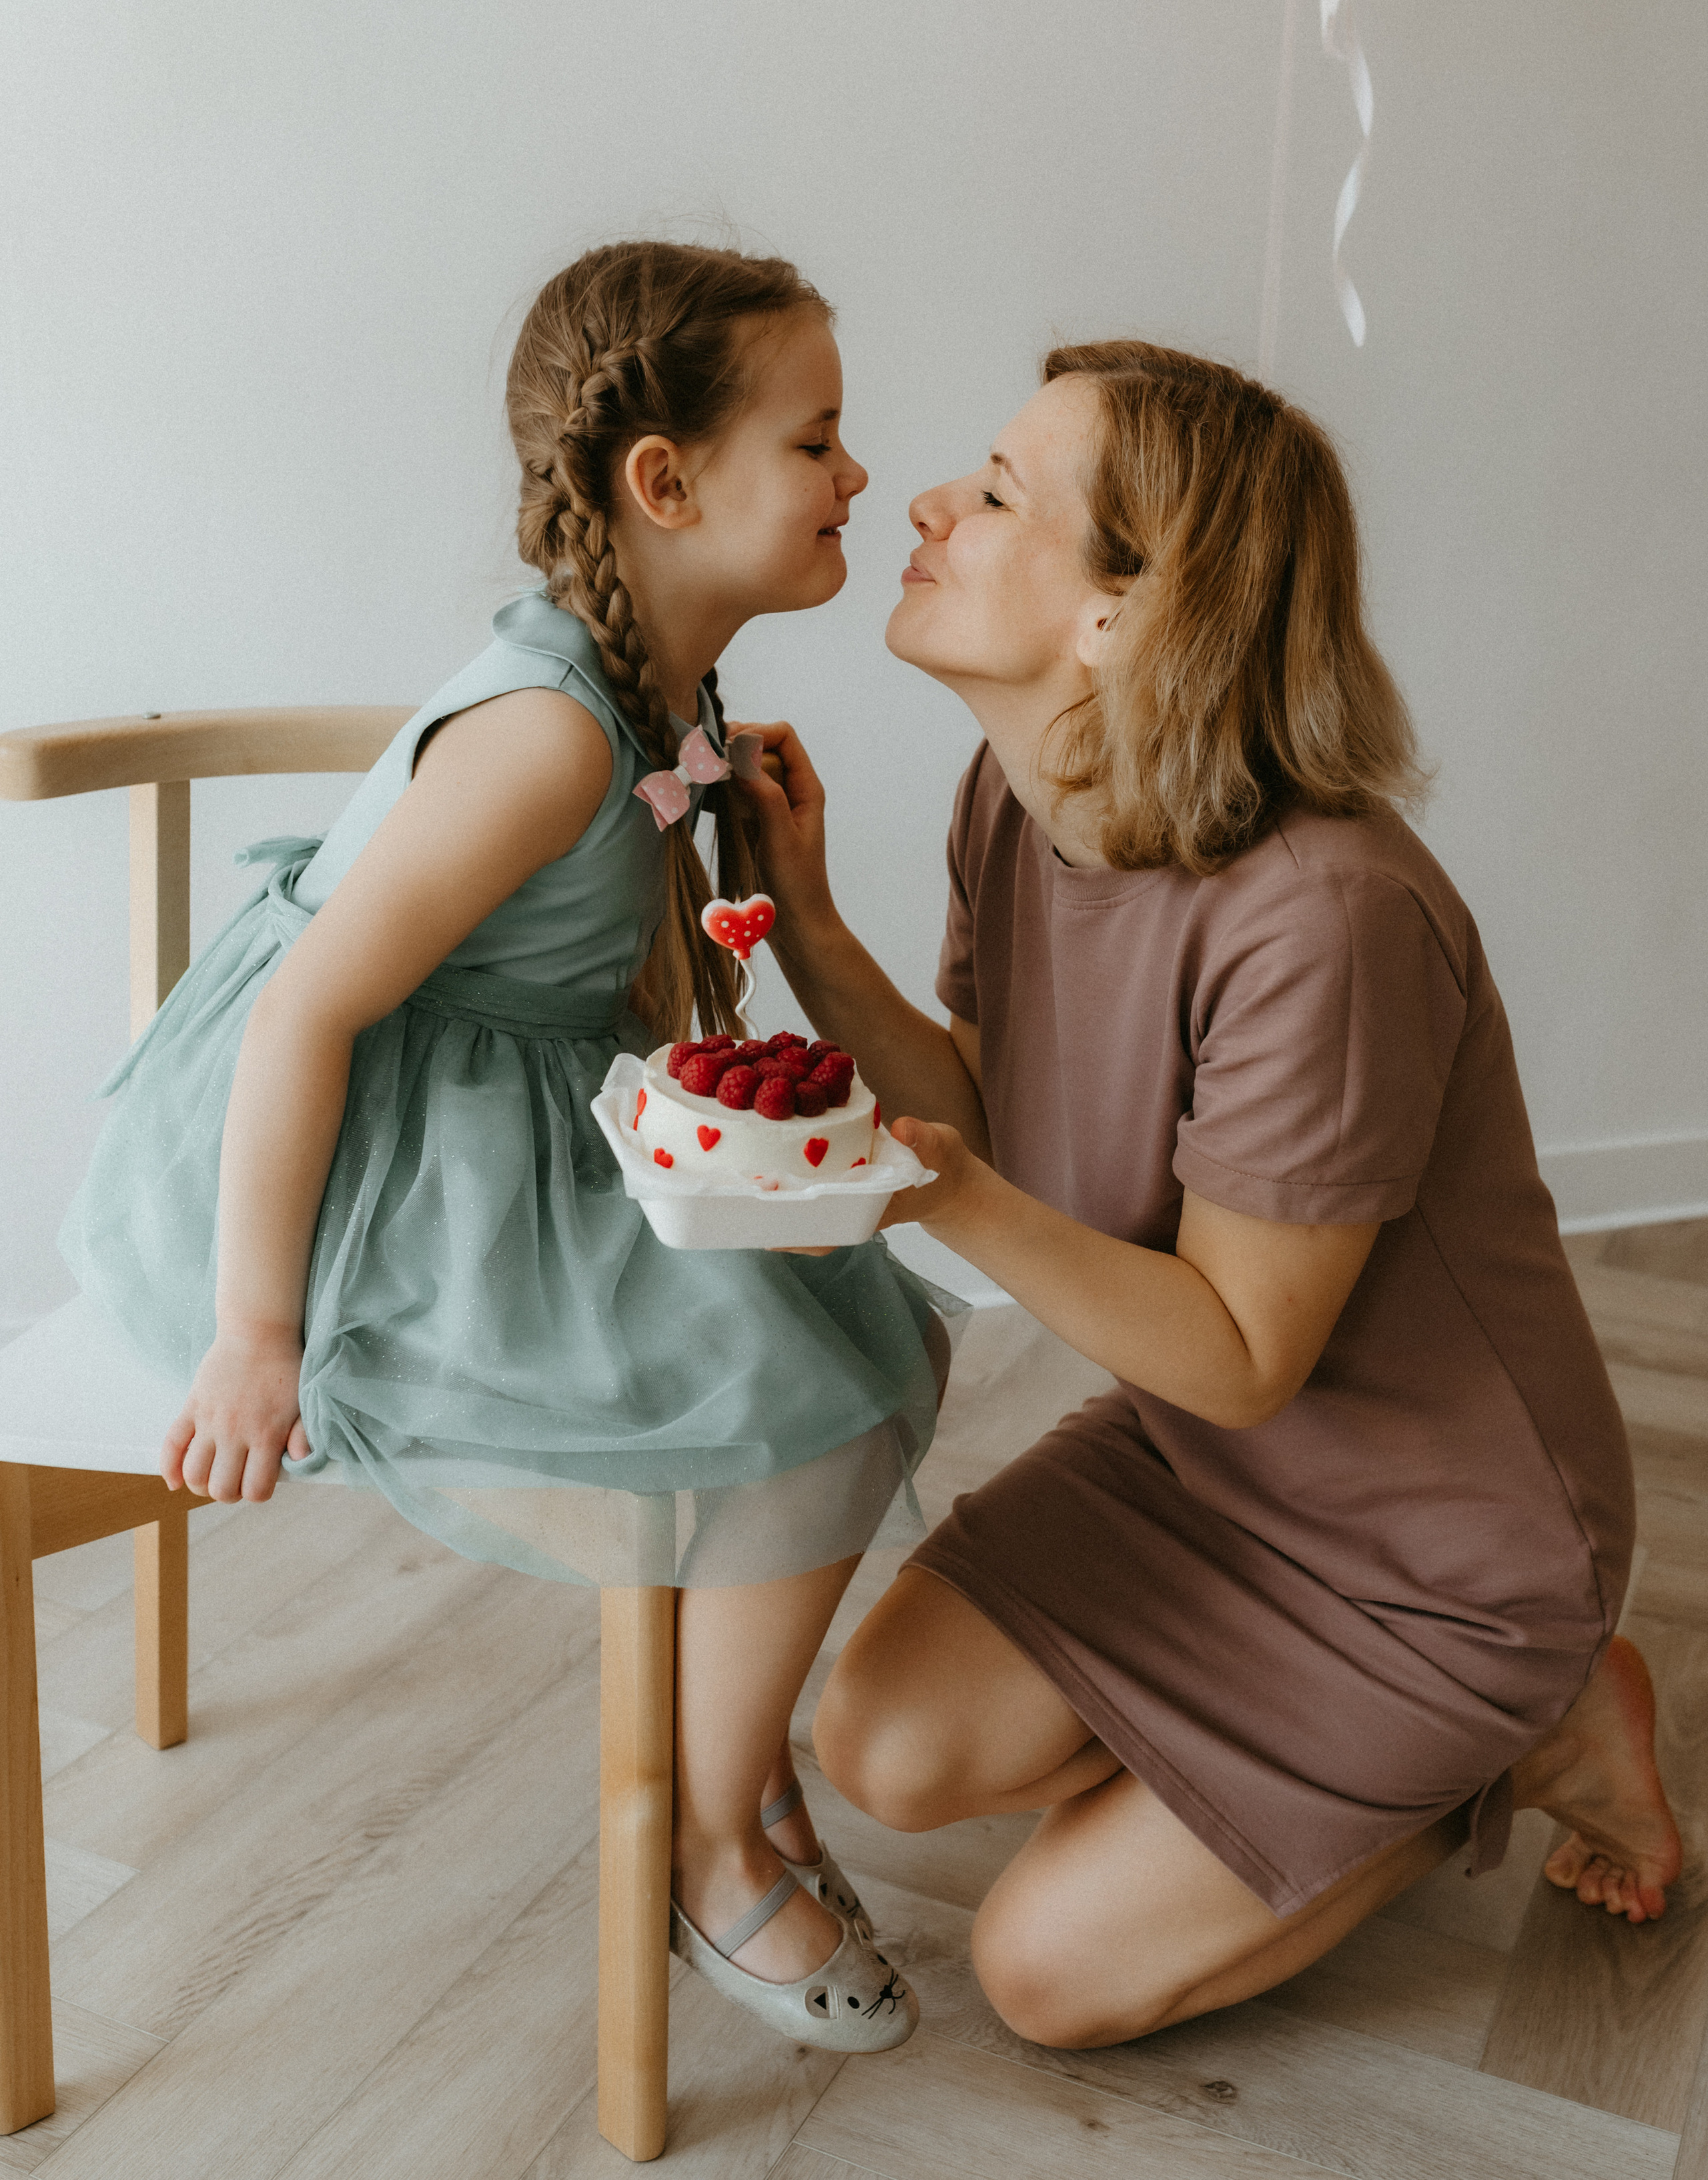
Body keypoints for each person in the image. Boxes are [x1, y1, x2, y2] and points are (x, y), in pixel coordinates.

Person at [738, 340, 1680, 2050]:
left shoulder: (1322, 914)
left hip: (1428, 1560)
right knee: (878, 1740)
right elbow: (997, 1122)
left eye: (1002, 491)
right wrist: (804, 919)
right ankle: (1290, 1764)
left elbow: (1242, 1345)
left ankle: (1522, 1731)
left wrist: (934, 1197)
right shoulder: (1018, 804)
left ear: (1123, 611)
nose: (927, 501)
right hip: (1206, 1469)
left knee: (1040, 1979)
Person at [59, 241, 937, 2051]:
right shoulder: (548, 734)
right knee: (816, 1394)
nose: (862, 478)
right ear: (668, 483)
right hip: (351, 1162)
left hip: (513, 1098)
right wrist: (258, 1334)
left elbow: (639, 960)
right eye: (822, 441)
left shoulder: (661, 699)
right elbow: (311, 1010)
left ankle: (740, 1776)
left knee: (876, 1321)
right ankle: (716, 1841)